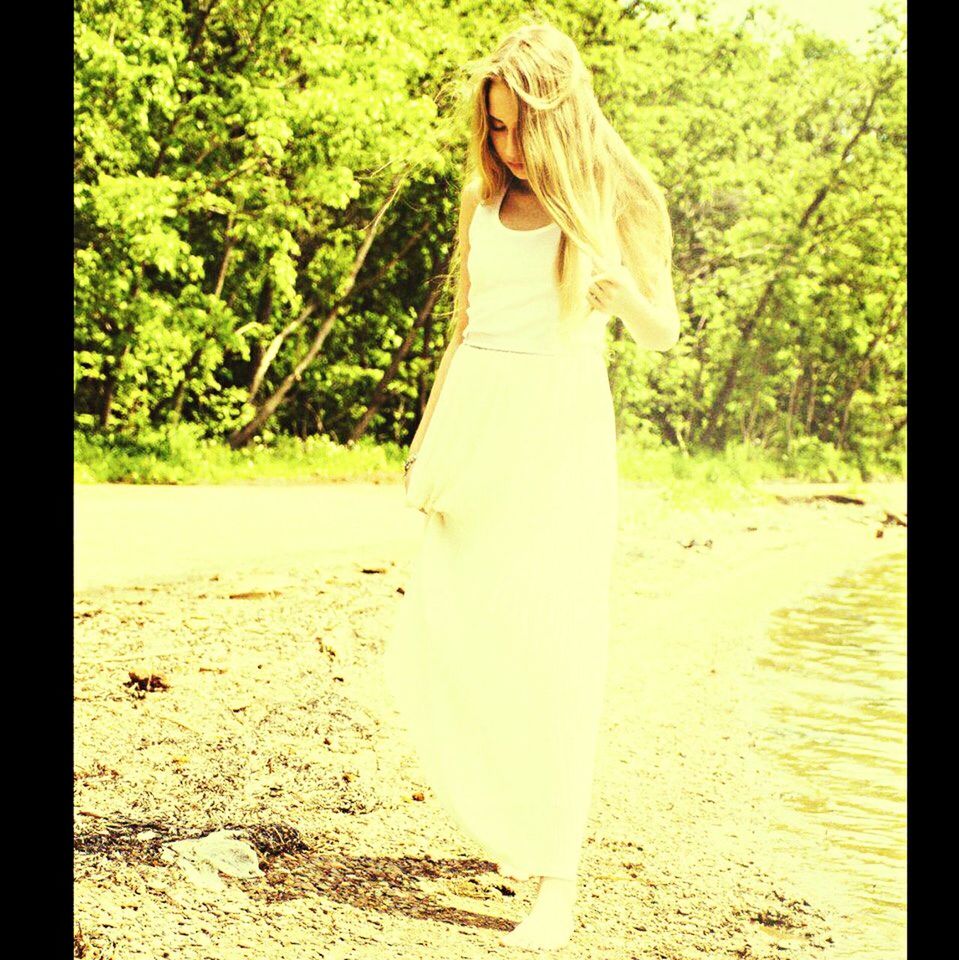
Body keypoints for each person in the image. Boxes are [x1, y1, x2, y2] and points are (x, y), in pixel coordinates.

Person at [382, 20, 679, 951]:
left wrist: (617, 295)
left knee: (554, 647)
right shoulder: (480, 197)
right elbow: (464, 330)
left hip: (558, 434)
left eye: (518, 126)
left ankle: (558, 881)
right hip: (481, 421)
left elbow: (664, 330)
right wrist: (429, 444)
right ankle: (516, 822)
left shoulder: (619, 196)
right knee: (467, 636)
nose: (506, 146)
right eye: (495, 128)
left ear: (559, 112)